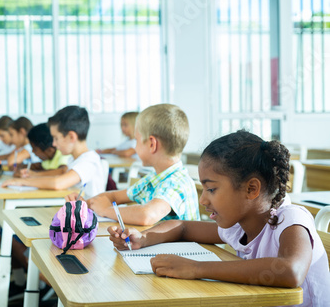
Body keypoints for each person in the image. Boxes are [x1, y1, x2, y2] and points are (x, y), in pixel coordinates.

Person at [109, 130, 330, 307]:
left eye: (211, 189)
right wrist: (143, 238)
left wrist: (197, 268)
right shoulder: (239, 224)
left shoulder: (291, 219)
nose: (203, 200)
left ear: (251, 189)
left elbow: (291, 271)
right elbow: (183, 227)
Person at [70, 104, 199, 226]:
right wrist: (86, 203)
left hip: (180, 249)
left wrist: (106, 210)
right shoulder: (153, 179)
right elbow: (114, 196)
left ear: (152, 144)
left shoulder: (176, 182)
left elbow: (147, 215)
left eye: (136, 140)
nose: (135, 146)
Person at [2, 105, 106, 199]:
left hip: (91, 217)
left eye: (56, 138)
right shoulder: (73, 159)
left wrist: (22, 182)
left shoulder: (88, 162)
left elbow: (58, 183)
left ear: (71, 137)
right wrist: (33, 175)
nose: (54, 144)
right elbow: (59, 174)